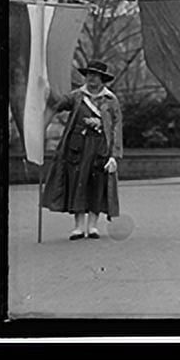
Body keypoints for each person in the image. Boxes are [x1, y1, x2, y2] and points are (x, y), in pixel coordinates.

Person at [41, 60, 123, 240]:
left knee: (97, 185)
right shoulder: (77, 96)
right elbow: (59, 104)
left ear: (102, 79)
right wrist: (45, 90)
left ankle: (92, 226)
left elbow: (116, 127)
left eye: (95, 75)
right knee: (77, 183)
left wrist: (114, 155)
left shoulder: (111, 100)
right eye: (89, 75)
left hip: (100, 147)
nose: (91, 78)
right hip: (77, 147)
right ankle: (78, 227)